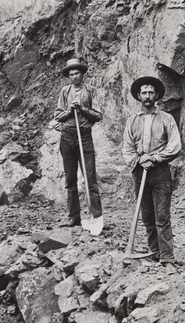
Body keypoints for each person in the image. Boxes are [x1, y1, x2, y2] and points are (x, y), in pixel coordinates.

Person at [122, 76, 182, 265]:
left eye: (150, 92)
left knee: (162, 216)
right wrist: (139, 160)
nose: (147, 96)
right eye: (144, 93)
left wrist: (155, 158)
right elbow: (127, 148)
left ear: (156, 95)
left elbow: (174, 145)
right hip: (139, 172)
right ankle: (154, 251)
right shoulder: (132, 121)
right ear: (139, 96)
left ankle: (167, 257)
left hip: (160, 172)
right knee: (147, 216)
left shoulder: (167, 119)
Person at [54, 58, 103, 227]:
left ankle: (96, 217)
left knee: (90, 179)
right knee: (70, 179)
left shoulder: (91, 91)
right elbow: (57, 116)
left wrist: (82, 109)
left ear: (82, 74)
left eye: (77, 73)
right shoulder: (65, 92)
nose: (74, 76)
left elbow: (98, 115)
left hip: (84, 136)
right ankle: (73, 217)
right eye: (71, 73)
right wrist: (70, 110)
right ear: (68, 76)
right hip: (67, 137)